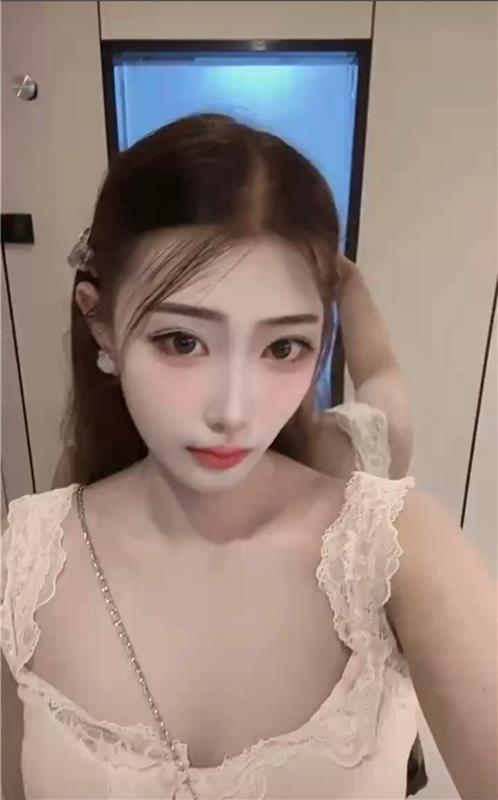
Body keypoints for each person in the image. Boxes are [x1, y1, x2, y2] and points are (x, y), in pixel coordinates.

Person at [1, 115, 495, 800]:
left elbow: (381, 379)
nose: (235, 411)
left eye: (284, 346)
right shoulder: (29, 561)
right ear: (101, 325)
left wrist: (342, 287)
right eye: (181, 341)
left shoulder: (393, 546)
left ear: (321, 342)